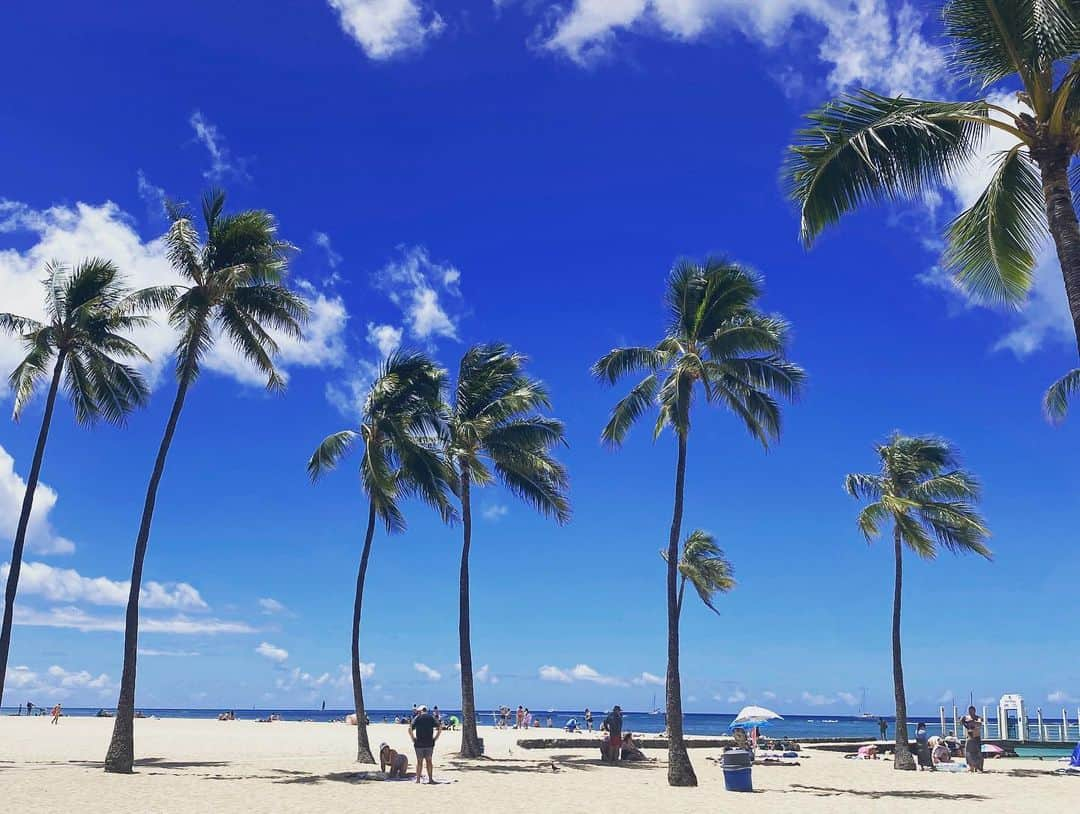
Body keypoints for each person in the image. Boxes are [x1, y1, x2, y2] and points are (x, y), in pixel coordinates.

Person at [409, 705, 441, 784]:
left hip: (419, 743)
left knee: (419, 762)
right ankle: (430, 779)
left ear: (420, 711)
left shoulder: (417, 718)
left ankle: (418, 780)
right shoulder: (431, 718)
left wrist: (413, 738)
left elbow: (410, 729)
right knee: (429, 761)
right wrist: (435, 738)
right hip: (429, 743)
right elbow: (439, 728)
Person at [961, 706, 984, 773]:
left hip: (976, 737)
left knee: (978, 753)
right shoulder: (966, 718)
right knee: (968, 753)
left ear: (974, 711)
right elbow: (962, 723)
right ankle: (971, 767)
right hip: (969, 737)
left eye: (972, 710)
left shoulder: (978, 718)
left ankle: (979, 767)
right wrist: (963, 721)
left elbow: (979, 723)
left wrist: (973, 722)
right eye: (969, 710)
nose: (970, 712)